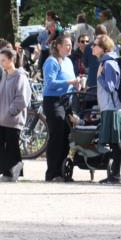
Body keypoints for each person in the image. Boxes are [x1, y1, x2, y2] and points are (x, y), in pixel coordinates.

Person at [42, 35, 81, 181]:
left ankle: (63, 171)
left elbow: (70, 80)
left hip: (67, 100)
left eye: (71, 44)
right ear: (58, 46)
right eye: (67, 44)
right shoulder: (52, 61)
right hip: (53, 101)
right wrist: (70, 81)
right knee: (56, 135)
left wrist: (77, 82)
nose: (70, 47)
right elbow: (50, 82)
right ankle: (52, 173)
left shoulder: (68, 61)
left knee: (66, 135)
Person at [0, 47, 30, 181]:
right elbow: (1, 93)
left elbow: (22, 98)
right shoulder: (3, 75)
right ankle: (11, 170)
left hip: (13, 119)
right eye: (0, 60)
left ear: (12, 60)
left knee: (11, 147)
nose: (1, 63)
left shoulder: (20, 76)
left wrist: (10, 111)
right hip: (0, 117)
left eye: (4, 60)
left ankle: (10, 174)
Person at [92, 35, 121, 184]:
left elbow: (111, 87)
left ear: (103, 48)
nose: (92, 47)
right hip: (108, 107)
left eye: (95, 44)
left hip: (112, 107)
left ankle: (116, 175)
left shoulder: (109, 63)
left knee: (115, 143)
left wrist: (99, 76)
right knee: (113, 143)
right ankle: (114, 174)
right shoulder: (105, 62)